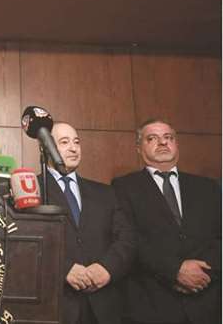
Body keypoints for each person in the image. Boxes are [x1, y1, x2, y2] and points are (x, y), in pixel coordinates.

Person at [112, 119, 221, 324]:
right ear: (138, 148)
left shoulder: (207, 187)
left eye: (168, 138)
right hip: (154, 304)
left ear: (176, 144)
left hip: (208, 302)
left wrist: (205, 272)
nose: (162, 143)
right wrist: (174, 271)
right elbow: (129, 240)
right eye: (152, 138)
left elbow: (219, 237)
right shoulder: (123, 187)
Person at [41, 122, 135, 324]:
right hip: (56, 305)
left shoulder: (105, 193)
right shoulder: (32, 189)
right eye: (64, 142)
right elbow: (22, 246)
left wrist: (106, 269)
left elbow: (127, 239)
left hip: (105, 306)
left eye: (76, 142)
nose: (74, 148)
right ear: (45, 147)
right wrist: (63, 269)